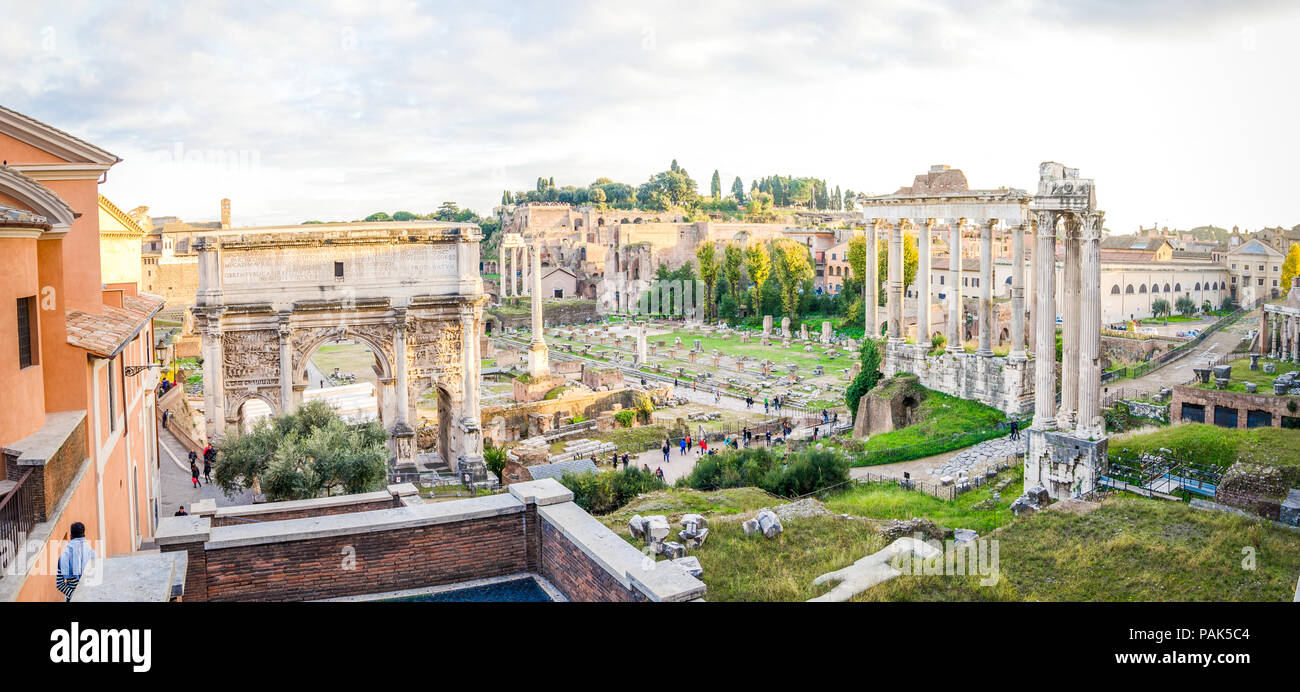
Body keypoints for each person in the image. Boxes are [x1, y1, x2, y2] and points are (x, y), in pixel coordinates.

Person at [56, 522, 95, 602]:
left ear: (71, 536)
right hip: (90, 597)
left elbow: (59, 584)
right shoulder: (92, 553)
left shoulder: (63, 557)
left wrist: (75, 596)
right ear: (84, 536)